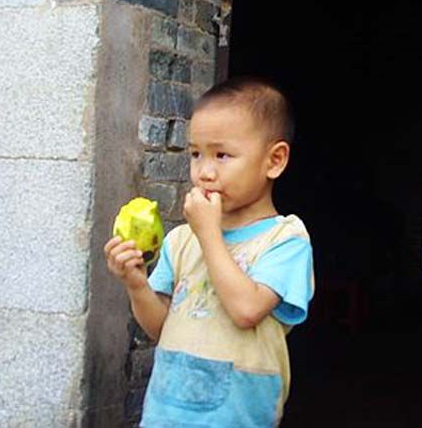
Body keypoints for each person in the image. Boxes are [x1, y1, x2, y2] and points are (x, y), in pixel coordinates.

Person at [105, 76, 314, 427]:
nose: (204, 172)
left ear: (274, 160)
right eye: (195, 154)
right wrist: (136, 284)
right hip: (165, 413)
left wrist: (209, 235)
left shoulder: (285, 240)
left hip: (235, 417)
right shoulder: (181, 240)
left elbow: (247, 310)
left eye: (222, 155)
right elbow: (160, 328)